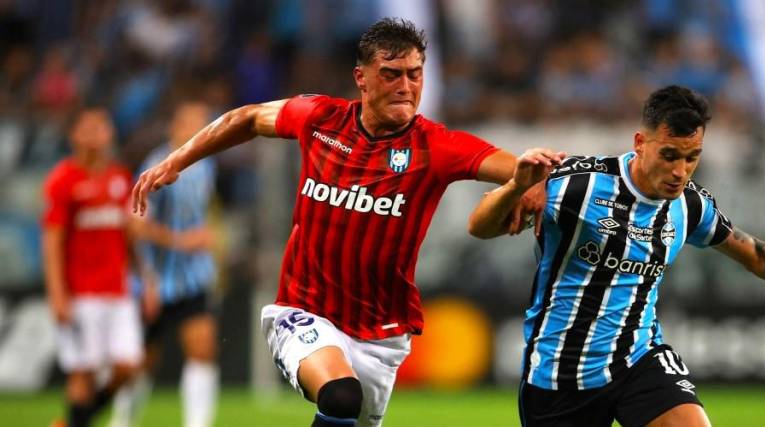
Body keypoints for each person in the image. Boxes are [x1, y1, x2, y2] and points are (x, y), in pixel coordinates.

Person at [130, 18, 539, 427]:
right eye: (391, 75)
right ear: (362, 78)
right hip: (303, 309)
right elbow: (249, 118)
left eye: (415, 75)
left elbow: (522, 169)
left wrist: (526, 186)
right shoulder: (321, 119)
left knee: (348, 412)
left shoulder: (436, 146)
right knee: (341, 395)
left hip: (382, 332)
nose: (406, 86)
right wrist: (177, 160)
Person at [467, 85, 765, 427]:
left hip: (638, 359)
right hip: (560, 373)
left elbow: (759, 257)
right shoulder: (575, 184)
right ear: (641, 142)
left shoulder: (691, 206)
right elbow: (480, 226)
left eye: (692, 158)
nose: (680, 171)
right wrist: (515, 188)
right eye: (670, 155)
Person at [110, 101, 220, 427]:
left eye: (205, 124)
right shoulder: (157, 165)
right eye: (192, 124)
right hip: (154, 281)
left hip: (193, 278)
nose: (202, 132)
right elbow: (134, 224)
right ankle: (121, 420)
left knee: (203, 348)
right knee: (142, 361)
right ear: (174, 128)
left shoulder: (205, 167)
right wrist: (180, 241)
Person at [42, 107, 153, 427]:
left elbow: (128, 238)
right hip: (80, 293)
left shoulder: (120, 178)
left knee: (128, 367)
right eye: (88, 127)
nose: (96, 134)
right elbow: (52, 243)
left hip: (117, 292)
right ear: (74, 135)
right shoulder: (63, 179)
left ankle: (77, 422)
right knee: (83, 370)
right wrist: (58, 294)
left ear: (110, 133)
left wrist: (146, 280)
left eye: (102, 127)